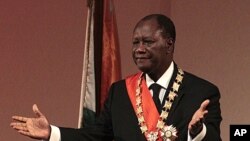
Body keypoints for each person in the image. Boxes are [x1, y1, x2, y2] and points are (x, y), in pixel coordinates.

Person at [10, 14, 222, 141]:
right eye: (135, 43)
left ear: (169, 44)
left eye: (147, 42)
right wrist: (51, 133)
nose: (139, 49)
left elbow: (213, 138)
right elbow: (95, 136)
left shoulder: (201, 92)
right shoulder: (120, 92)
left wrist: (198, 132)